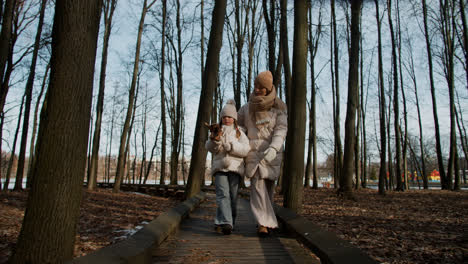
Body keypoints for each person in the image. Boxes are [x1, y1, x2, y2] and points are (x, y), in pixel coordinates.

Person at [237, 70, 287, 236]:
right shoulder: (247, 107)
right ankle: (263, 223)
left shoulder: (279, 107)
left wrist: (274, 148)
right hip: (253, 153)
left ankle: (265, 222)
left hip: (272, 154)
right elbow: (239, 126)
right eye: (255, 86)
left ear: (268, 88)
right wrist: (241, 135)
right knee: (257, 187)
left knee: (268, 190)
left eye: (261, 87)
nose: (257, 89)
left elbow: (281, 130)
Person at [205, 99, 250, 235]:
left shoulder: (240, 133)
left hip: (235, 169)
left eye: (230, 117)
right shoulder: (217, 130)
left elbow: (246, 149)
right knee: (222, 195)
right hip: (220, 168)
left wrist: (231, 147)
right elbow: (209, 147)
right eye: (224, 116)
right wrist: (215, 141)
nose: (227, 119)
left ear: (234, 118)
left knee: (232, 197)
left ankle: (225, 222)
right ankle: (227, 222)